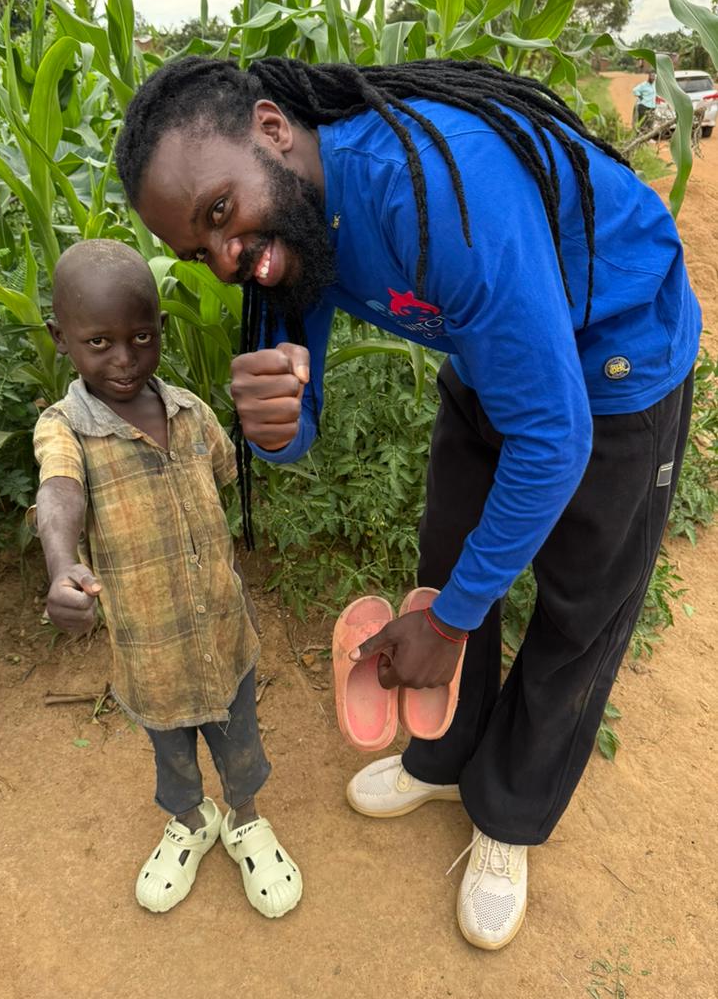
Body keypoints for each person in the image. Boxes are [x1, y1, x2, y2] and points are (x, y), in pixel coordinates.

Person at [114, 57, 701, 949]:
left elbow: (555, 438)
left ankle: (508, 814)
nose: (227, 260)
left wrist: (452, 623)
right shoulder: (288, 235)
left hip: (617, 356)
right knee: (449, 555)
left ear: (272, 130)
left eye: (220, 213)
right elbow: (296, 422)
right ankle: (444, 756)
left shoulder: (431, 185)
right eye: (200, 251)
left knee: (578, 612)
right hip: (494, 352)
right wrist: (277, 426)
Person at [32, 240, 302, 918]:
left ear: (160, 329)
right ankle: (190, 820)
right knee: (171, 751)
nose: (124, 358)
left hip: (223, 631)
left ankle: (245, 818)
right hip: (150, 650)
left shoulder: (190, 413)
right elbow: (59, 492)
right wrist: (62, 565)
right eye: (99, 342)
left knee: (241, 741)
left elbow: (225, 477)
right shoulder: (65, 429)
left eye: (142, 337)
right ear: (61, 338)